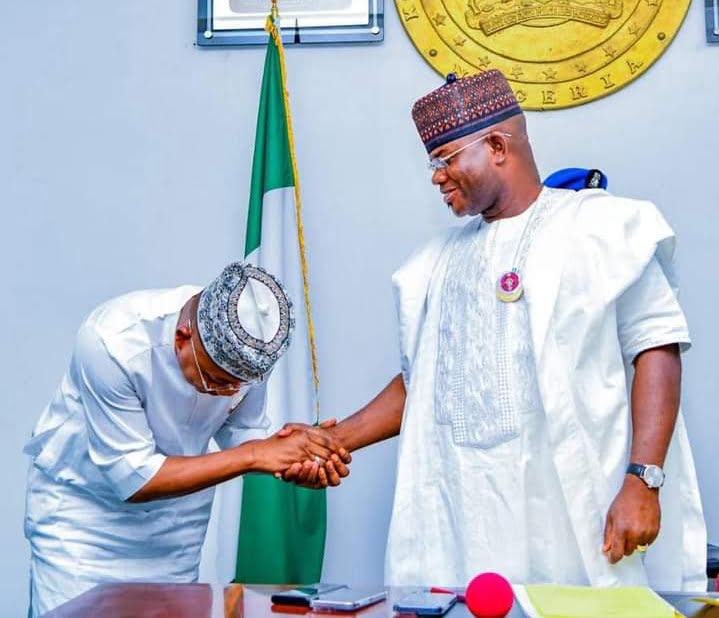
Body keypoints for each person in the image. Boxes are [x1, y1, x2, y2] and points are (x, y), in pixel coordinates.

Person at [284, 71, 707, 590]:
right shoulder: (432, 265)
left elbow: (656, 347)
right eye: (432, 164)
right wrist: (331, 440)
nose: (436, 176)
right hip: (464, 527)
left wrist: (644, 480)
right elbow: (425, 382)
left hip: (582, 522)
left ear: (498, 146)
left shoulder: (604, 228)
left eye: (445, 159)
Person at [23, 262, 350, 616]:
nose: (228, 392)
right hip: (86, 530)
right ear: (183, 336)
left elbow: (243, 432)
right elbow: (133, 478)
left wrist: (293, 455)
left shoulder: (250, 345)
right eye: (216, 379)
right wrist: (258, 454)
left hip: (176, 532)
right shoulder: (111, 342)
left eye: (239, 385)